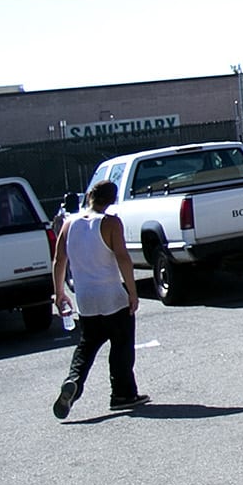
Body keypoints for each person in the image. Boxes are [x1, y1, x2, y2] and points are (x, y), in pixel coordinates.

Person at [50, 179, 146, 419]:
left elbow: (59, 261)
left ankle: (73, 380)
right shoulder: (110, 223)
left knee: (87, 345)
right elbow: (123, 258)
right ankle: (122, 394)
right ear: (111, 200)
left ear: (89, 196)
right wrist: (132, 292)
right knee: (121, 344)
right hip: (112, 295)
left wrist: (60, 293)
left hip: (86, 298)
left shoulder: (68, 223)